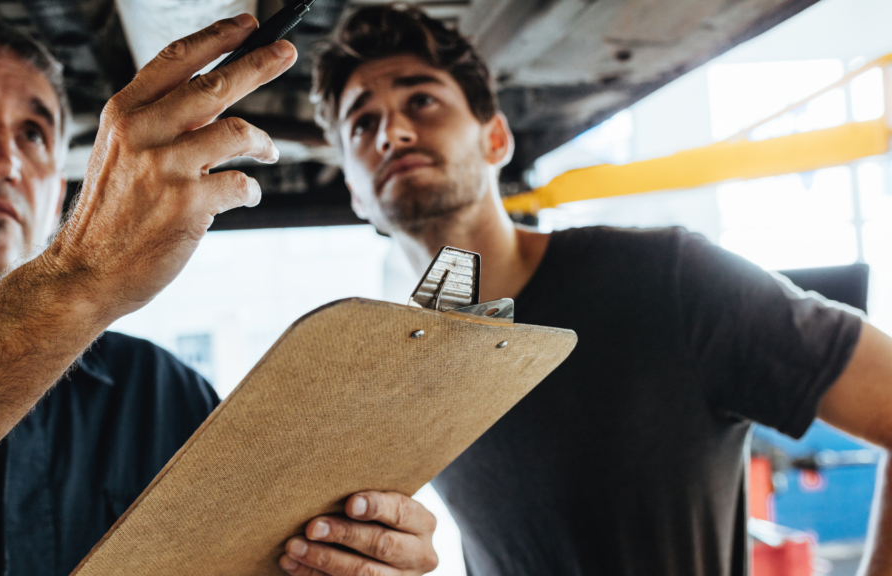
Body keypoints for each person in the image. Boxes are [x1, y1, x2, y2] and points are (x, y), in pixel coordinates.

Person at [312, 5, 892, 575]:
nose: (394, 132)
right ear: (357, 197)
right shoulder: (407, 369)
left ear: (495, 139)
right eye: (363, 123)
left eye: (422, 100)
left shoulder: (669, 279)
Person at [0, 15, 439, 576]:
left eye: (34, 134)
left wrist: (344, 553)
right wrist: (80, 274)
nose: (2, 161)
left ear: (60, 187)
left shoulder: (165, 394)